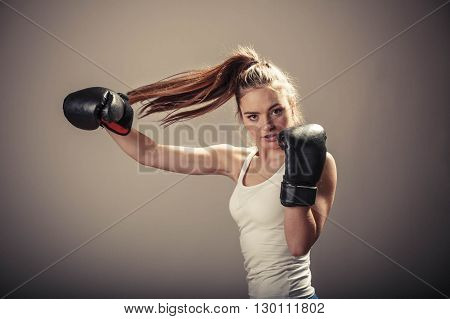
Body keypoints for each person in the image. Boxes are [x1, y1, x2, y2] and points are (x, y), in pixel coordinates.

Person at [63, 46, 337, 299]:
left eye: (276, 111)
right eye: (253, 116)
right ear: (241, 117)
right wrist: (113, 123)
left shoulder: (320, 161)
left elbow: (299, 246)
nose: (267, 125)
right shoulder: (234, 160)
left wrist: (298, 175)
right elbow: (150, 153)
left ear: (292, 106)